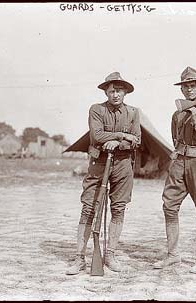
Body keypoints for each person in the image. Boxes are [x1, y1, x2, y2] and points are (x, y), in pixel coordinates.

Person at [66, 72, 141, 275]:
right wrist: (122, 135)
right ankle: (79, 257)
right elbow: (97, 135)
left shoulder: (134, 113)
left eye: (119, 91)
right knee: (88, 208)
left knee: (118, 209)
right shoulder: (96, 110)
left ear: (125, 92)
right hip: (98, 163)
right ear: (106, 92)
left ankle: (110, 255)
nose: (115, 95)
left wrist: (118, 142)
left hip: (123, 165)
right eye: (111, 91)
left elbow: (137, 139)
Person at [153, 66, 196, 273]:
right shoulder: (177, 114)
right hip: (180, 162)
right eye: (186, 87)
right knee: (169, 206)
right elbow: (176, 140)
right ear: (182, 90)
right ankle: (173, 255)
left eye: (193, 86)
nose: (189, 90)